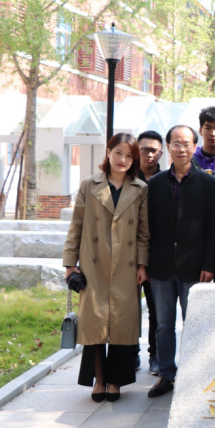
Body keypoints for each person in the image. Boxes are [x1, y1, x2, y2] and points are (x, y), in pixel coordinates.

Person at [63, 133, 149, 402]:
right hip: (94, 264)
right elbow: (76, 226)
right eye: (118, 152)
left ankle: (115, 381)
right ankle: (99, 380)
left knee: (122, 326)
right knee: (96, 325)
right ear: (108, 152)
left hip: (126, 264)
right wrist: (70, 265)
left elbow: (143, 233)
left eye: (129, 155)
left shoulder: (140, 188)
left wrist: (142, 264)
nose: (123, 159)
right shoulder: (90, 185)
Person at [147, 125, 215, 398]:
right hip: (161, 267)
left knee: (195, 324)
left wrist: (209, 265)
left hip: (195, 267)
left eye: (186, 143)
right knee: (163, 325)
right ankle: (166, 374)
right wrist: (145, 263)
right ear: (168, 147)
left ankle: (193, 374)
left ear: (194, 147)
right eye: (176, 144)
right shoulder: (155, 184)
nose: (181, 149)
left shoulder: (209, 184)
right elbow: (147, 228)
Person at [136, 130, 163, 376]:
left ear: (161, 153)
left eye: (154, 150)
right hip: (127, 254)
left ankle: (155, 356)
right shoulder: (125, 178)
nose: (149, 154)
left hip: (155, 256)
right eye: (145, 149)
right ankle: (130, 353)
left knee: (156, 310)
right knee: (128, 308)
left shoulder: (165, 181)